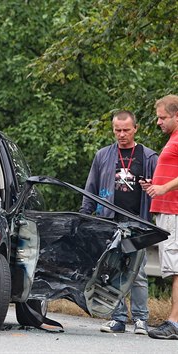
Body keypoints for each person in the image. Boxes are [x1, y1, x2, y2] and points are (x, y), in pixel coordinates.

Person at [80, 110, 157, 335]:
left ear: (135, 129)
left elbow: (160, 188)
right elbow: (91, 186)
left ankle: (141, 319)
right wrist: (85, 214)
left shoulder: (149, 156)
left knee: (138, 273)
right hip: (109, 221)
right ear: (113, 129)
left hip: (138, 222)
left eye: (126, 130)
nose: (121, 134)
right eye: (117, 130)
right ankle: (118, 318)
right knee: (112, 271)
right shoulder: (103, 155)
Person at [141, 94, 178, 340]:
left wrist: (163, 189)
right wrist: (155, 185)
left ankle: (174, 323)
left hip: (174, 212)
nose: (158, 122)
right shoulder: (172, 139)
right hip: (166, 211)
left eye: (163, 117)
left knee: (177, 269)